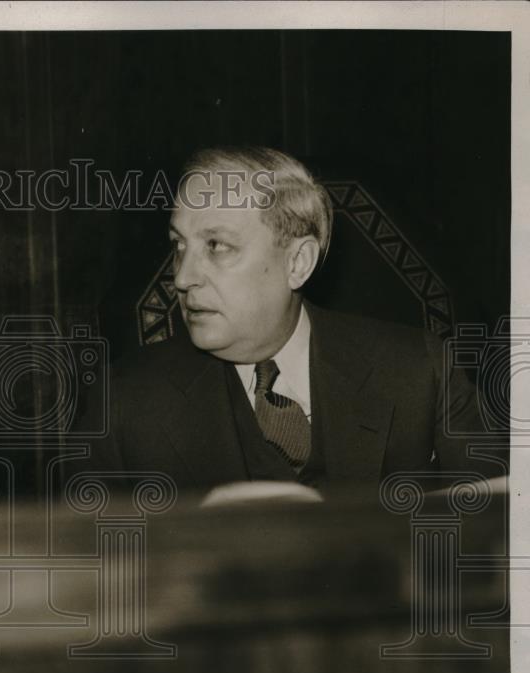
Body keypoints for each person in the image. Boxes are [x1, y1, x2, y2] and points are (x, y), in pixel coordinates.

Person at [81, 146, 492, 497]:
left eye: (217, 246)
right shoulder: (123, 405)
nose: (183, 277)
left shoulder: (421, 372)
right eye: (179, 245)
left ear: (298, 263)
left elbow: (498, 543)